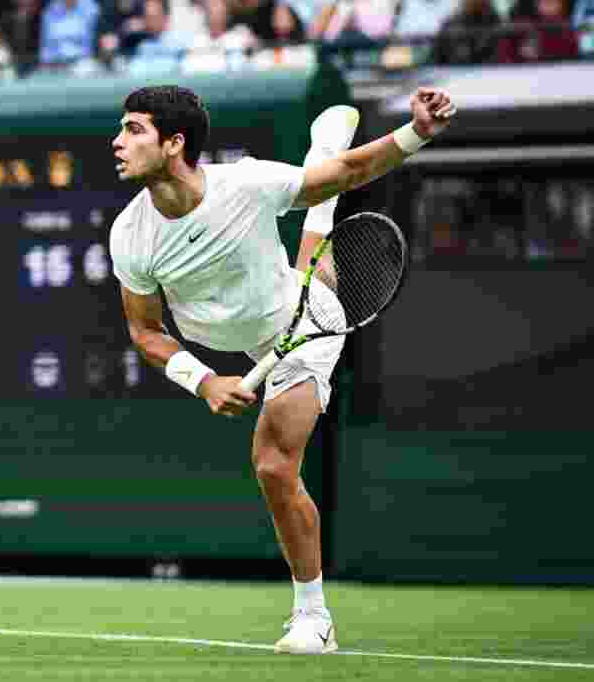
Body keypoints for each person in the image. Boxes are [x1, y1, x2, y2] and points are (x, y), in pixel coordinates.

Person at [108, 85, 455, 654]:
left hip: (301, 328)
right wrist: (202, 379)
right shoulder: (130, 233)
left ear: (174, 144)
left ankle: (313, 617)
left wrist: (418, 131)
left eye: (133, 129)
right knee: (309, 268)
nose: (117, 141)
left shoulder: (243, 184)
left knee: (272, 463)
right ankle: (317, 217)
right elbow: (145, 332)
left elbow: (350, 169)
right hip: (253, 327)